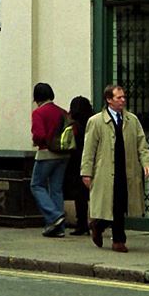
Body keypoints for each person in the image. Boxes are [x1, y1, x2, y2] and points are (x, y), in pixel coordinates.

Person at [80, 84, 149, 253]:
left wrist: (146, 163)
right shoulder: (96, 121)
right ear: (109, 100)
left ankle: (105, 230)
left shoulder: (132, 120)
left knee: (121, 203)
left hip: (127, 169)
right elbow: (89, 149)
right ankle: (113, 236)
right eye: (119, 97)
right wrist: (86, 172)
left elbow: (142, 144)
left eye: (124, 97)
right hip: (106, 170)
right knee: (112, 204)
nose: (123, 100)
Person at [30, 82, 69, 237]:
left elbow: (39, 135)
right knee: (56, 188)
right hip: (64, 154)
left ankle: (54, 216)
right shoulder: (62, 112)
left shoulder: (39, 113)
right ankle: (58, 228)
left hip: (47, 153)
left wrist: (36, 141)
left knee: (36, 185)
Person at [64, 96, 93, 235]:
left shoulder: (74, 125)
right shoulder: (92, 122)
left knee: (79, 195)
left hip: (76, 161)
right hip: (92, 160)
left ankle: (82, 223)